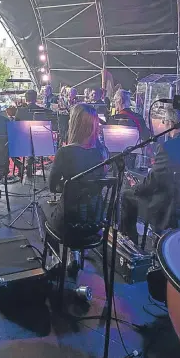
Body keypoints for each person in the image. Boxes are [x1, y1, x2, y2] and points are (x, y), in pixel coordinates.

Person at [121, 107, 180, 244]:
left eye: (164, 122)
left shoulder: (167, 147)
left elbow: (152, 183)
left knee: (127, 195)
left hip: (169, 210)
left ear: (169, 123)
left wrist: (136, 187)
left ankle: (130, 249)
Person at [47, 103, 107, 272]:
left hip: (69, 224)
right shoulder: (102, 152)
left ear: (74, 123)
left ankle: (53, 261)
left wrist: (67, 187)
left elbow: (52, 186)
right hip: (95, 223)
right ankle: (75, 254)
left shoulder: (64, 153)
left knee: (46, 209)